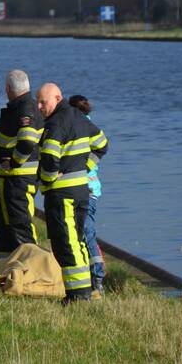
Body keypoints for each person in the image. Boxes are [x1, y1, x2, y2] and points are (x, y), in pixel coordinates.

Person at [36, 83, 109, 303]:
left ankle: (78, 296)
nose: (39, 106)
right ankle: (83, 291)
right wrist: (84, 167)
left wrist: (48, 178)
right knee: (76, 242)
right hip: (81, 192)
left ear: (58, 98)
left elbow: (49, 158)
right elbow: (102, 145)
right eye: (37, 102)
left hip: (62, 195)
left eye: (43, 102)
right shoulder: (78, 117)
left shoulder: (56, 123)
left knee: (66, 244)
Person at [0, 69, 43, 259]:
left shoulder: (25, 108)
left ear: (7, 89)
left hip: (18, 180)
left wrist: (14, 161)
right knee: (4, 229)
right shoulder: (20, 106)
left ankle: (32, 271)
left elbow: (28, 142)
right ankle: (5, 271)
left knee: (21, 227)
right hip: (9, 180)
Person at [69, 95, 105, 296]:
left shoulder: (84, 127)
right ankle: (90, 275)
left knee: (86, 232)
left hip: (88, 189)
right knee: (81, 232)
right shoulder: (81, 125)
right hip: (81, 187)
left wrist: (84, 168)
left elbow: (102, 148)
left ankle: (97, 277)